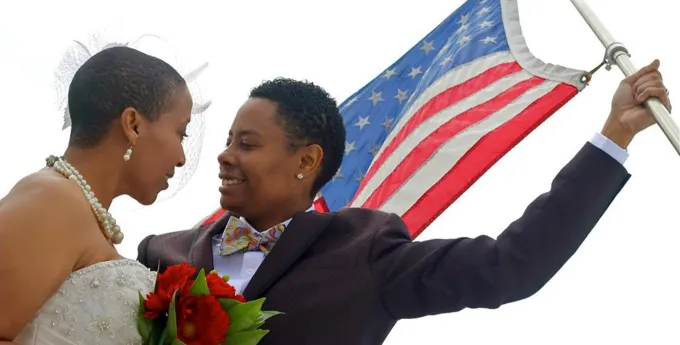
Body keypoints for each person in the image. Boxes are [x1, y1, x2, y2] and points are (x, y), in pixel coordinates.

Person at [137, 59, 672, 345]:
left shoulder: (365, 252)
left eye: (246, 144)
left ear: (306, 161)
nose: (225, 156)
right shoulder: (159, 254)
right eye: (228, 141)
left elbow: (513, 265)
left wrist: (613, 136)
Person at [0, 46, 194, 344]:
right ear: (133, 124)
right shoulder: (54, 200)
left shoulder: (79, 210)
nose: (182, 157)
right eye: (182, 133)